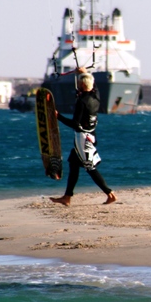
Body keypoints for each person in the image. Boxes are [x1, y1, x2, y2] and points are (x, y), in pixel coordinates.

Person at [50, 68, 117, 206]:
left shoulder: (82, 102)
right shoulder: (96, 96)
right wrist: (83, 72)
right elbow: (93, 84)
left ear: (80, 85)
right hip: (92, 134)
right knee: (73, 163)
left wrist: (58, 116)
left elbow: (75, 124)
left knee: (90, 167)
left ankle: (110, 194)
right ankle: (67, 197)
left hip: (83, 139)